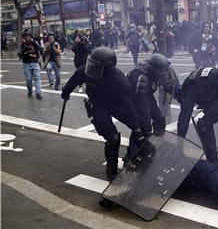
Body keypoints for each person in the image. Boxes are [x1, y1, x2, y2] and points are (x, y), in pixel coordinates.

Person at [61, 47, 152, 181]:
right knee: (113, 137)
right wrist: (65, 92)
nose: (91, 68)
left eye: (95, 66)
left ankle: (132, 156)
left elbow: (129, 107)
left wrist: (137, 128)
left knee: (141, 130)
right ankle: (112, 171)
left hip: (116, 105)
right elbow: (74, 80)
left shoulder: (120, 81)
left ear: (107, 68)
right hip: (98, 105)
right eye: (91, 63)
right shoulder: (86, 70)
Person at [127, 53, 179, 139]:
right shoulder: (142, 79)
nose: (164, 75)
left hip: (146, 95)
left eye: (166, 71)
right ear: (153, 71)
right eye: (161, 73)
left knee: (160, 120)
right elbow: (142, 108)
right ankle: (136, 150)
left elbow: (148, 97)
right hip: (132, 101)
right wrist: (147, 129)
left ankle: (157, 144)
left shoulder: (151, 75)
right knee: (141, 131)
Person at [18, 29, 43, 99]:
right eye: (25, 36)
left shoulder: (34, 43)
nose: (27, 37)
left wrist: (44, 51)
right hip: (26, 64)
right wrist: (24, 50)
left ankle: (38, 93)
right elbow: (19, 53)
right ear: (23, 37)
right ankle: (30, 90)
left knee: (37, 78)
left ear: (30, 36)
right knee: (28, 79)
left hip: (35, 63)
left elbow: (41, 49)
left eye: (28, 36)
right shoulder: (22, 45)